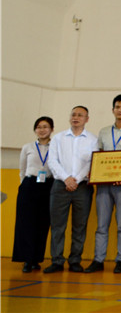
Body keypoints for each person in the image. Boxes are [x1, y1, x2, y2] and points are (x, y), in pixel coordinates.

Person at [86, 94, 121, 274]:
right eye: (117, 107)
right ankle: (98, 260)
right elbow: (99, 155)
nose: (120, 110)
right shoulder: (103, 131)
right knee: (102, 224)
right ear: (113, 110)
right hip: (104, 184)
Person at [44, 106, 97, 274]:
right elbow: (52, 161)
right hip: (60, 185)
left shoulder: (93, 139)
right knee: (57, 225)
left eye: (80, 115)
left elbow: (92, 162)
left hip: (83, 187)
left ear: (87, 119)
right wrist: (66, 178)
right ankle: (57, 260)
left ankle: (75, 260)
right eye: (73, 114)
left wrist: (77, 180)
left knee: (79, 226)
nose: (76, 117)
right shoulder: (58, 138)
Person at [13, 116, 55, 272]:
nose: (42, 130)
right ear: (35, 130)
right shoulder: (28, 147)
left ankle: (36, 259)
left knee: (43, 223)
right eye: (39, 127)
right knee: (26, 223)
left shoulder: (56, 146)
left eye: (45, 126)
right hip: (29, 186)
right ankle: (27, 259)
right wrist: (24, 184)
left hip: (48, 185)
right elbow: (22, 169)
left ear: (51, 129)